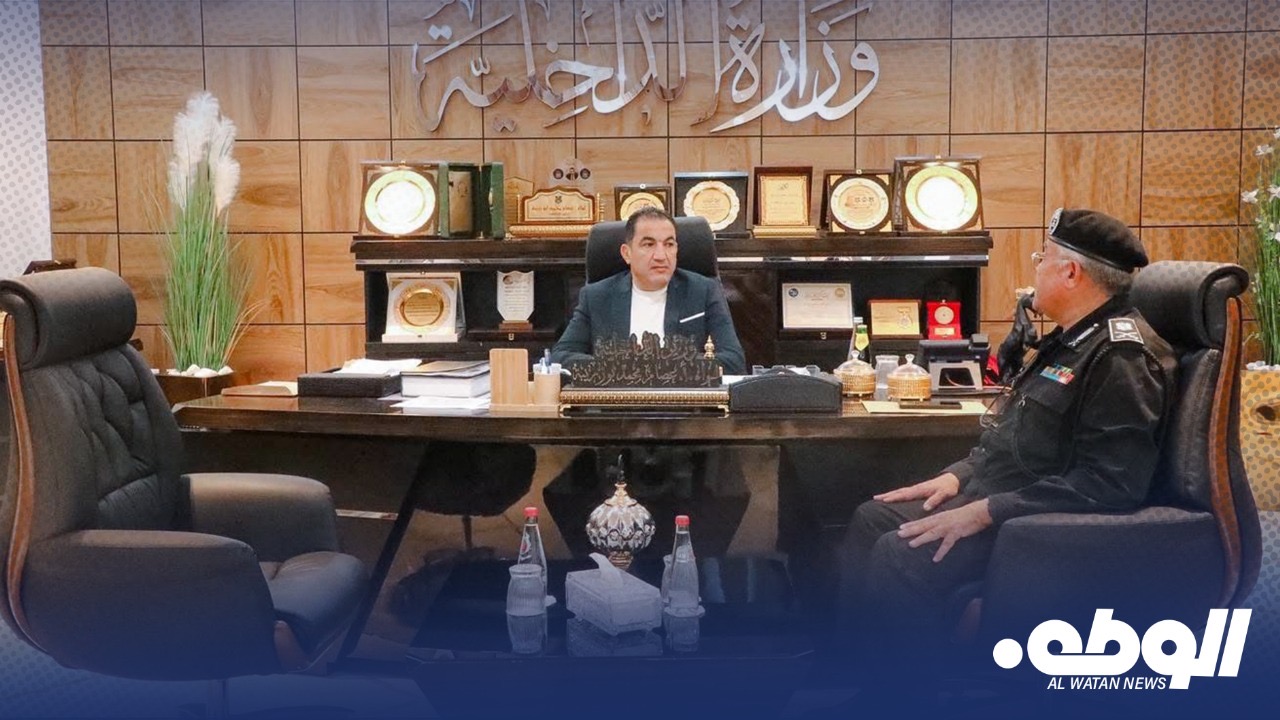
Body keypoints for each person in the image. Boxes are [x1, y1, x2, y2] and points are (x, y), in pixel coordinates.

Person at [833, 208, 1178, 706]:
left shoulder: (1120, 356)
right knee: (871, 520)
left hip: (1042, 523)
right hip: (1005, 494)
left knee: (900, 555)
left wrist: (986, 510)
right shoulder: (1072, 340)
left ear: (1071, 273)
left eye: (1042, 257)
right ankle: (863, 686)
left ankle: (905, 702)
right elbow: (1020, 437)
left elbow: (1111, 483)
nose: (1035, 267)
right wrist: (959, 476)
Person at [550, 206, 745, 374]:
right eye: (649, 244)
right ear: (627, 253)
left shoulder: (703, 291)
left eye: (669, 244)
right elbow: (561, 357)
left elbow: (733, 361)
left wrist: (660, 367)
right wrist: (623, 367)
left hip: (683, 400)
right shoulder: (596, 296)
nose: (661, 255)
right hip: (618, 401)